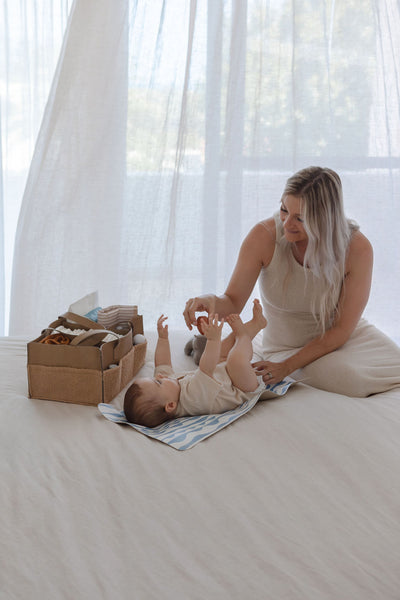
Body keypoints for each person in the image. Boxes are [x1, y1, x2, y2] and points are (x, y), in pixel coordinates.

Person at [183, 166, 400, 397]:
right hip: (286, 346)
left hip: (342, 336)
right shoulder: (264, 236)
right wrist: (210, 301)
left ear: (326, 218)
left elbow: (342, 329)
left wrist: (285, 368)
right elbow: (233, 301)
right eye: (284, 210)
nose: (286, 224)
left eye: (300, 218)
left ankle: (224, 344)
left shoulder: (357, 248)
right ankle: (213, 347)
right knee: (351, 381)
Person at [124, 300, 267, 427]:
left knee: (224, 348)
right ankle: (243, 335)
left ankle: (257, 324)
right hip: (241, 387)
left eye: (155, 378)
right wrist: (213, 340)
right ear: (171, 405)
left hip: (224, 375)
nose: (159, 376)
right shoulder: (192, 400)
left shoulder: (169, 388)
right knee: (235, 360)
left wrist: (162, 338)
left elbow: (162, 363)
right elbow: (206, 368)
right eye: (158, 382)